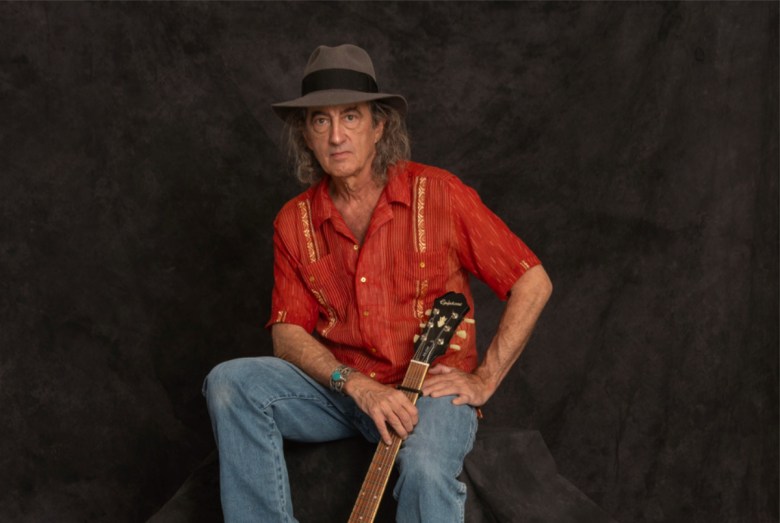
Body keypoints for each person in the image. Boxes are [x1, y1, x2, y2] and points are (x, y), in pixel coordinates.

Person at [204, 44, 553, 523]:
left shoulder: (440, 194)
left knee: (425, 467)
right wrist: (356, 385)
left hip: (429, 392)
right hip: (343, 393)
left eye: (351, 117)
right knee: (229, 384)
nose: (336, 136)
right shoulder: (294, 222)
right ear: (306, 134)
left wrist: (485, 378)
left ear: (379, 126)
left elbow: (531, 281)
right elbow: (287, 334)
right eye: (321, 121)